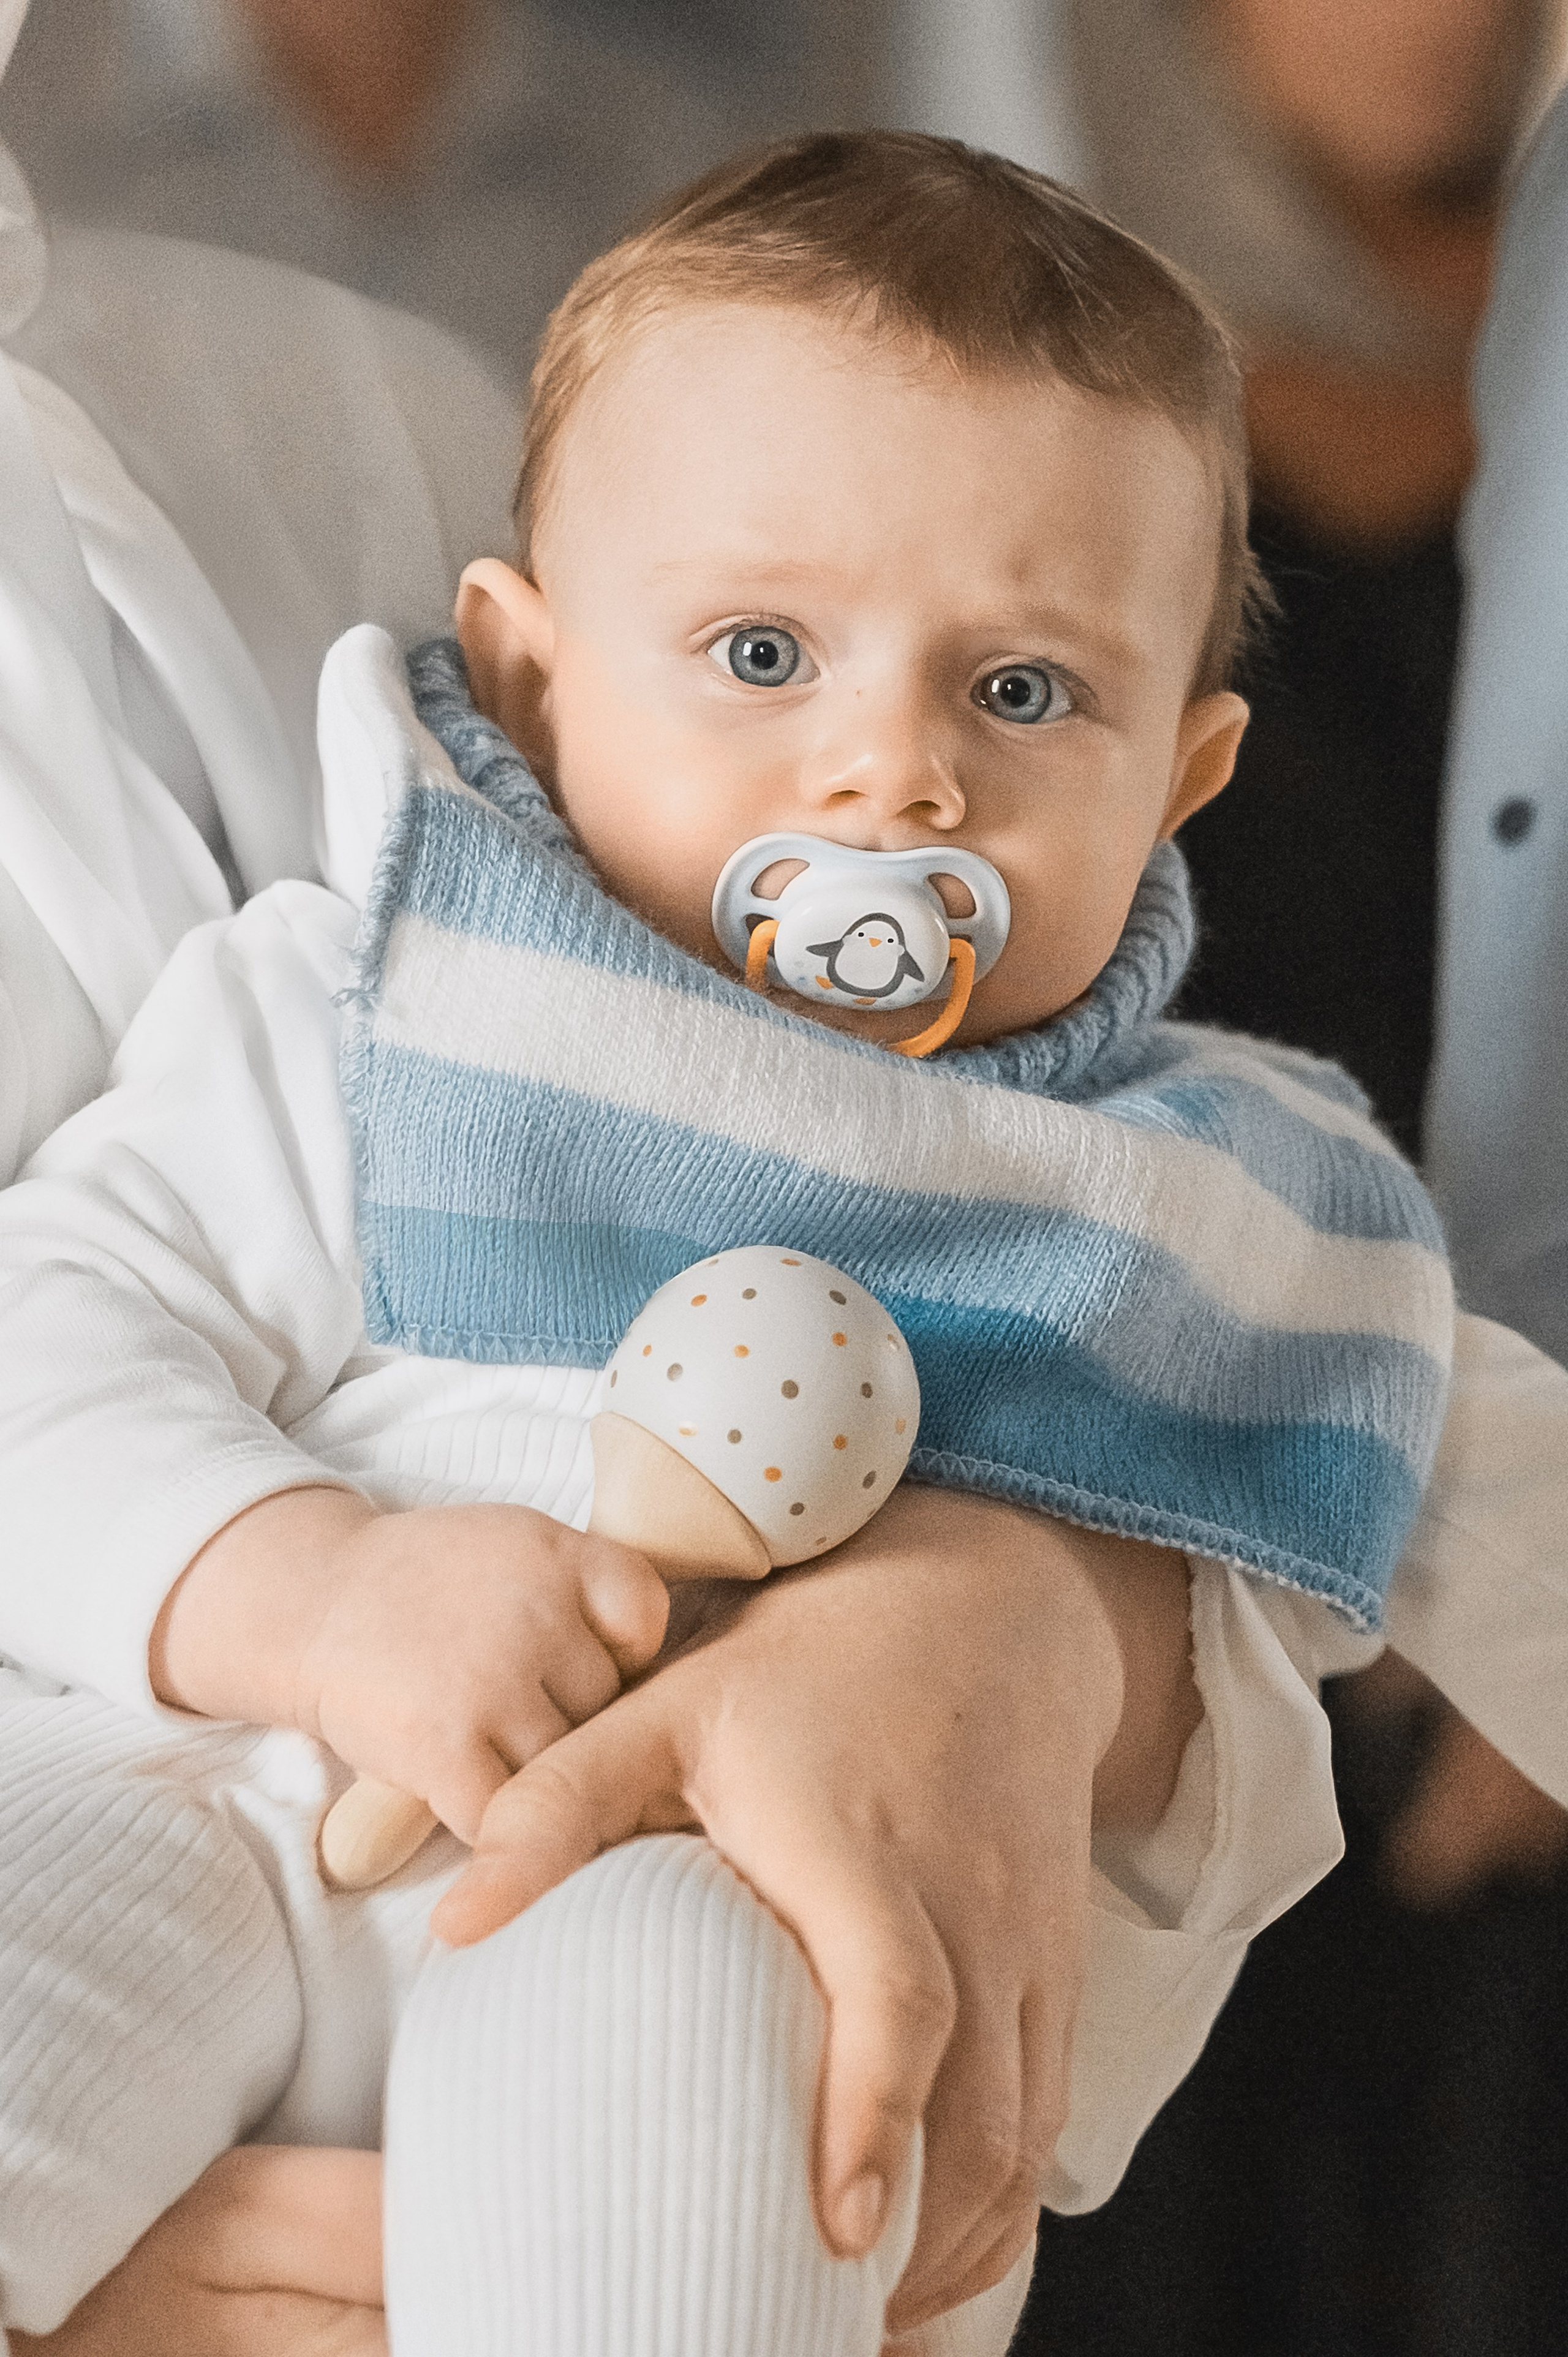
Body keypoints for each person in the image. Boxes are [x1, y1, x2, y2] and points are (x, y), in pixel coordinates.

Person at [0, 132, 1460, 2355]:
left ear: (1185, 772)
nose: (890, 774)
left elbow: (1331, 1580)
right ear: (531, 681)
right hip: (207, 1785)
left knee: (727, 2085)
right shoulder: (378, 1007)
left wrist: (1046, 1632)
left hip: (713, 1902)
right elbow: (42, 1347)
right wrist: (310, 1581)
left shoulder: (1200, 1195)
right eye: (764, 649)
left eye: (1026, 692)